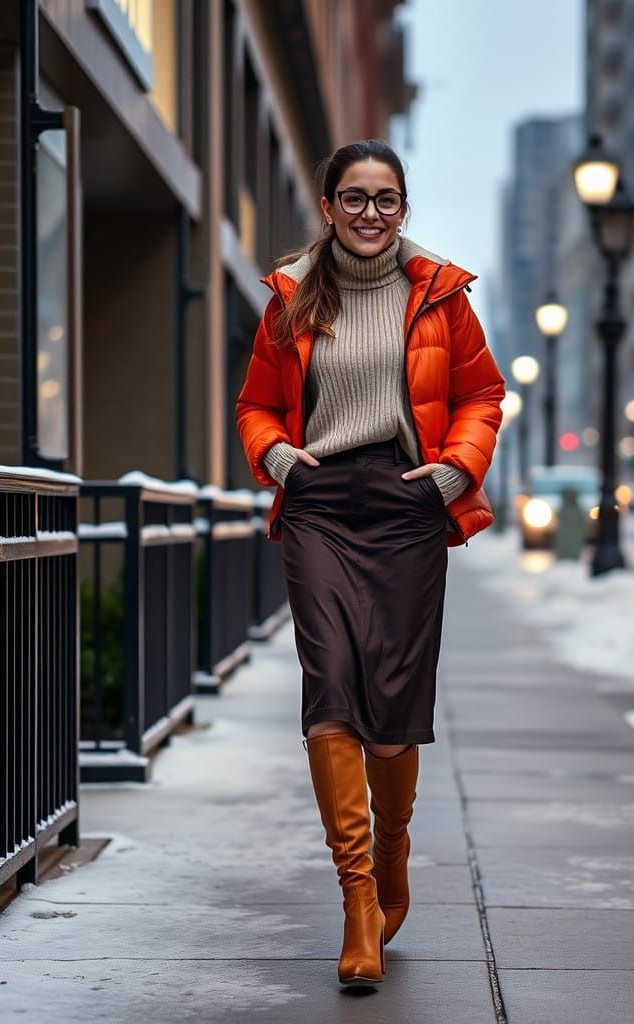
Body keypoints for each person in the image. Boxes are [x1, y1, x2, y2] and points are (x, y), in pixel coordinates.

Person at [235, 139, 504, 988]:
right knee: (333, 685)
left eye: (386, 199)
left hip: (406, 502)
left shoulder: (442, 297)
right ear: (327, 208)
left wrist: (458, 467)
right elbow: (256, 405)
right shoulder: (289, 299)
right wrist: (277, 457)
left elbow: (481, 394)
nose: (370, 215)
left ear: (404, 209)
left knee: (391, 702)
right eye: (354, 198)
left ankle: (393, 852)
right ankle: (357, 898)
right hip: (320, 502)